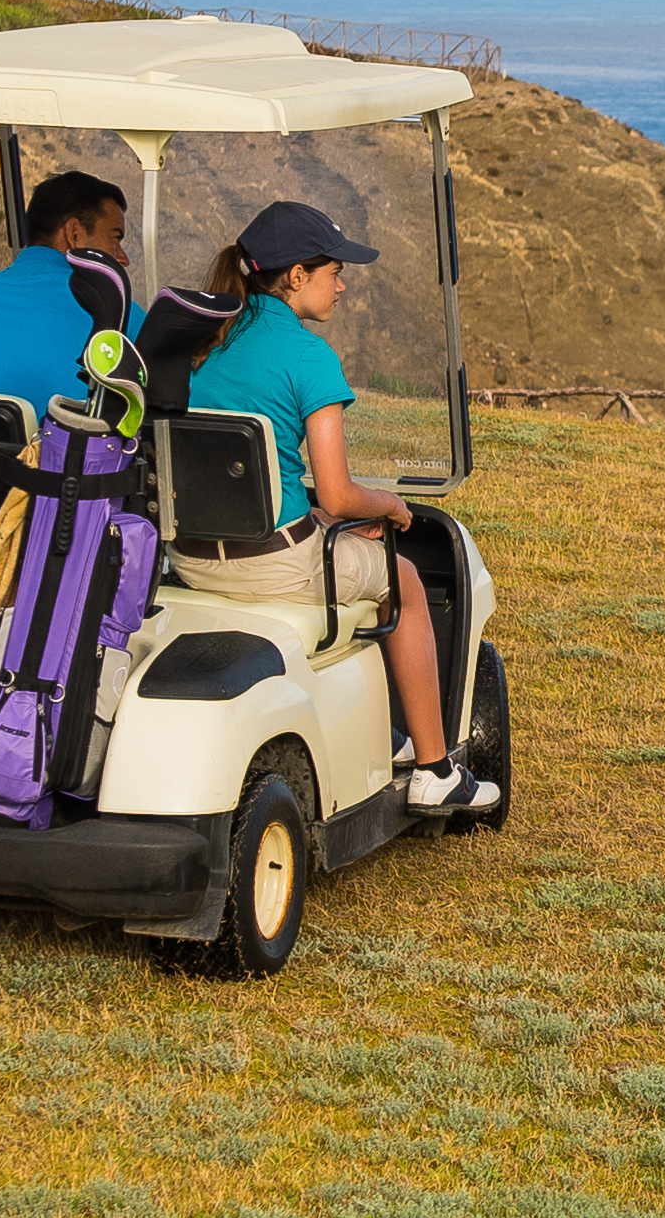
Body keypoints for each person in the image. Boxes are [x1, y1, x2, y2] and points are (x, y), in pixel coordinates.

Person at [182, 196, 490, 817]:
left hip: (191, 559)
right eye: (334, 272)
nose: (342, 286)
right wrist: (395, 508)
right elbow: (341, 494)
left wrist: (320, 514)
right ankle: (434, 768)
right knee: (399, 576)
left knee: (335, 540)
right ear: (297, 276)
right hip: (273, 568)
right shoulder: (308, 358)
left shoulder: (207, 342)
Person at [0, 171, 132, 409]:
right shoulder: (117, 314)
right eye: (115, 239)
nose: (123, 259)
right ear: (74, 234)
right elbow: (179, 415)